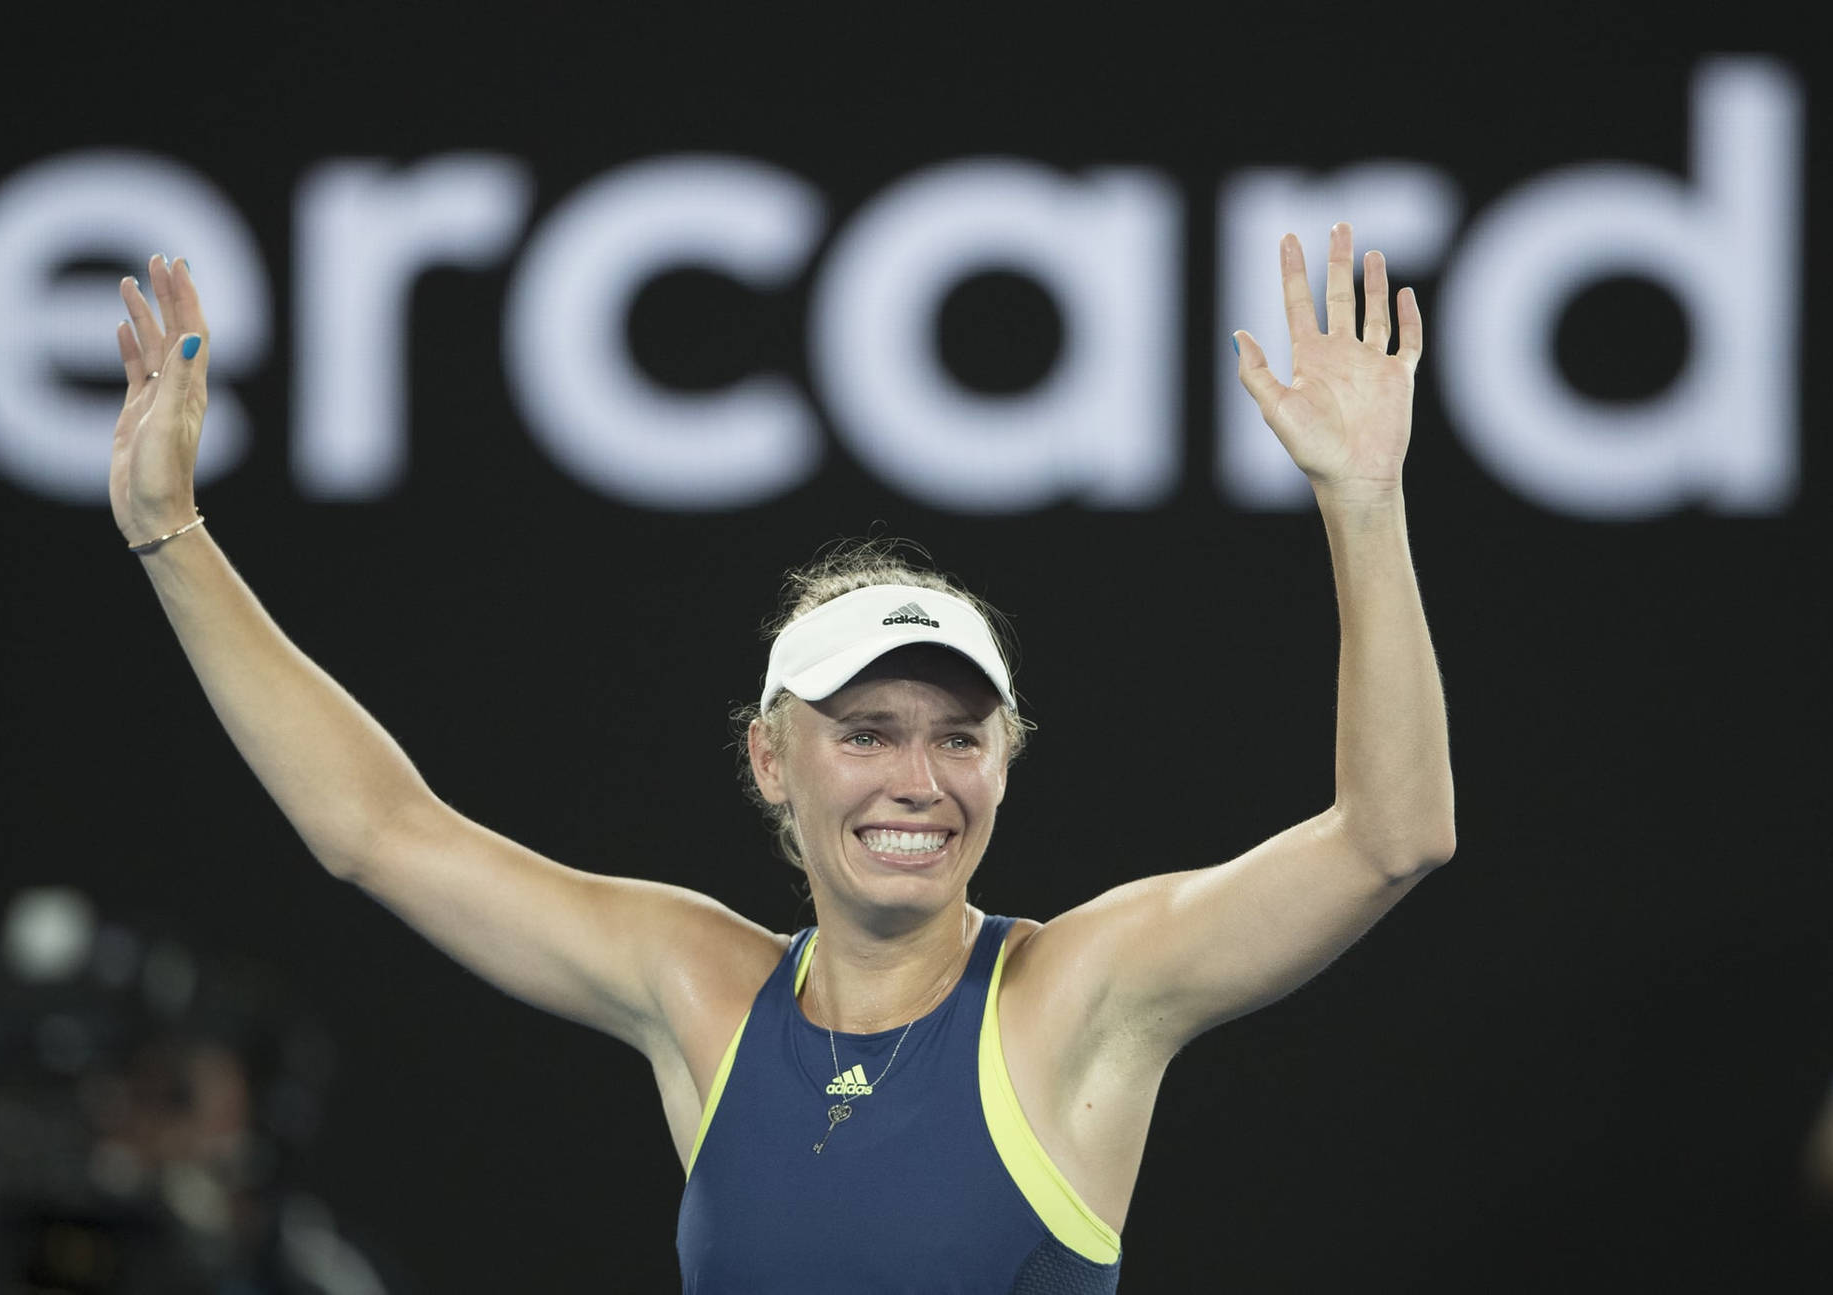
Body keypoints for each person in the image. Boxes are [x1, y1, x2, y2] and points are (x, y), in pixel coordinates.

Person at [108, 223, 1454, 1293]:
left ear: (1004, 760)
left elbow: (1393, 838)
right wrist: (173, 532)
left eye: (958, 737)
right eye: (865, 734)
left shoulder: (1078, 993)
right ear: (770, 761)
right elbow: (377, 831)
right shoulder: (700, 989)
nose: (917, 782)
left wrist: (1364, 505)